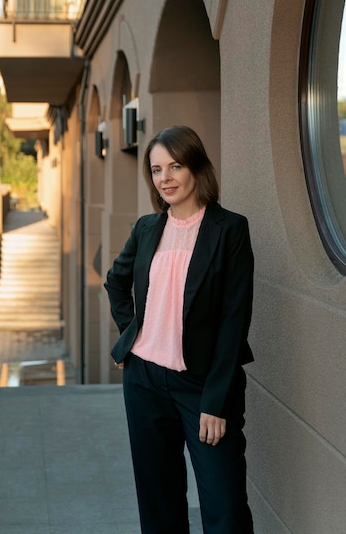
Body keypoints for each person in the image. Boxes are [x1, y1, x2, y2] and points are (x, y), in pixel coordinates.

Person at [105, 125, 254, 534]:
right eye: (156, 170)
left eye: (175, 166)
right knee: (159, 503)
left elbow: (234, 320)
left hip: (202, 384)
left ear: (196, 168)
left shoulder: (230, 230)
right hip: (144, 381)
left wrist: (216, 402)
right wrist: (131, 335)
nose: (165, 178)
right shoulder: (147, 228)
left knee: (224, 508)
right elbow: (115, 281)